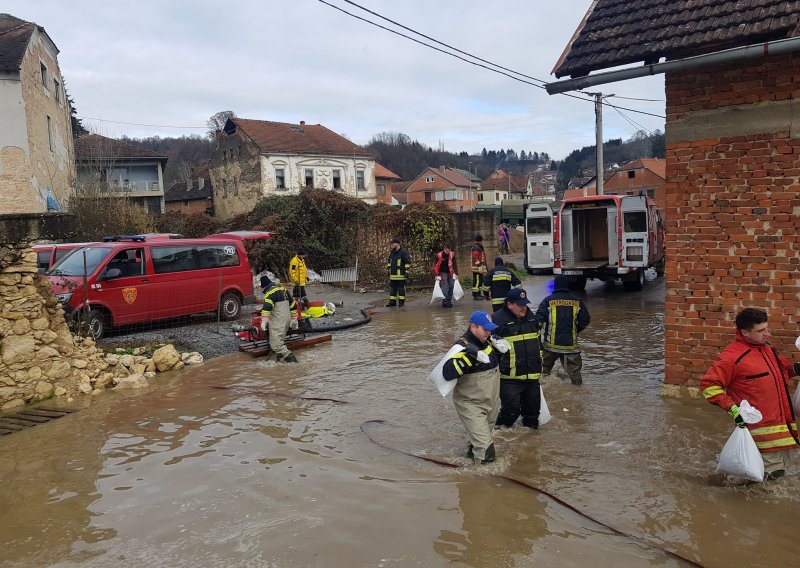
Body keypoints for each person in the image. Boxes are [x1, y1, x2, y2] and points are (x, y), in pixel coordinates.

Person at [701, 308, 800, 481]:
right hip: (760, 431)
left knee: (762, 476)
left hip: (783, 429)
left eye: (767, 328)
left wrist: (796, 368)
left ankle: (720, 484)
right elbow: (709, 386)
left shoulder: (768, 350)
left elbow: (783, 371)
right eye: (761, 331)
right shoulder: (731, 357)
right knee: (772, 478)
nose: (767, 334)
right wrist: (733, 409)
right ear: (744, 332)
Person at [442, 311, 502, 464]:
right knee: (486, 450)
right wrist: (467, 358)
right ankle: (483, 481)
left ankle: (470, 462)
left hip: (490, 401)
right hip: (471, 404)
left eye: (490, 329)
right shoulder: (461, 347)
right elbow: (446, 373)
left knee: (479, 440)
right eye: (485, 329)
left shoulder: (488, 342)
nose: (489, 333)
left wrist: (501, 351)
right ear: (473, 326)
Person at [492, 288, 543, 429]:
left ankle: (530, 446)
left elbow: (538, 344)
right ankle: (493, 432)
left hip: (532, 377)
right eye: (520, 305)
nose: (524, 307)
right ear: (509, 304)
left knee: (533, 417)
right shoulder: (497, 320)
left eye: (525, 304)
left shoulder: (532, 318)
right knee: (510, 414)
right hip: (510, 379)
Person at [535, 275, 590, 385]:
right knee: (576, 379)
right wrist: (575, 331)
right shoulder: (577, 302)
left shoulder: (547, 301)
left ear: (555, 286)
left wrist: (537, 341)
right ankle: (579, 397)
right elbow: (585, 320)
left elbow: (538, 322)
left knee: (541, 374)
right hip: (571, 347)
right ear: (567, 285)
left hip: (550, 347)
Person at [260, 275, 300, 363]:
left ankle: (294, 363)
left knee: (276, 345)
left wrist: (264, 321)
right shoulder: (283, 289)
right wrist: (294, 319)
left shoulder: (269, 293)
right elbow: (293, 304)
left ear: (264, 287)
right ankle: (280, 362)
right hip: (287, 320)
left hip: (278, 321)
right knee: (279, 340)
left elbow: (267, 307)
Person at [386, 238, 411, 307]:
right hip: (393, 275)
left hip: (401, 275)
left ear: (397, 244)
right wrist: (388, 269)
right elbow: (389, 261)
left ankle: (401, 302)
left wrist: (406, 271)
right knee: (392, 289)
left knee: (401, 289)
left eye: (393, 243)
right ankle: (392, 302)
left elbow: (408, 262)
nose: (392, 245)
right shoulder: (392, 252)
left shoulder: (404, 252)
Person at [433, 244, 457, 308]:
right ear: (444, 249)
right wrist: (436, 275)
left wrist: (456, 273)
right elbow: (435, 265)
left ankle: (449, 301)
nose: (448, 252)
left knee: (452, 285)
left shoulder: (452, 254)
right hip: (442, 273)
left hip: (451, 272)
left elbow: (454, 264)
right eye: (447, 251)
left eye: (449, 251)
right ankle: (444, 301)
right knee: (445, 288)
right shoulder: (439, 255)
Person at [470, 234, 487, 301]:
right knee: (477, 281)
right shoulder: (476, 247)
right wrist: (479, 265)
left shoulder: (478, 246)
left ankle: (479, 294)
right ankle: (476, 295)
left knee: (479, 281)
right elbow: (475, 257)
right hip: (477, 268)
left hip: (479, 267)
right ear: (480, 241)